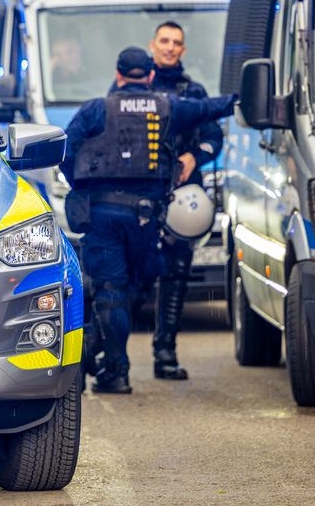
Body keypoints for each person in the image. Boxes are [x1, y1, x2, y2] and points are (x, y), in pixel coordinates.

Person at [61, 46, 236, 394]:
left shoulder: (97, 109)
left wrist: (80, 184)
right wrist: (237, 98)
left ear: (119, 74)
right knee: (134, 288)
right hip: (146, 219)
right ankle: (108, 362)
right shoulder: (168, 106)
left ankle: (116, 372)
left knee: (110, 290)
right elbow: (207, 110)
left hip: (102, 216)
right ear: (151, 75)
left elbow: (65, 150)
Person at [148, 21, 222, 381]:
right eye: (164, 40)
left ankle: (166, 354)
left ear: (183, 49)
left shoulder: (194, 92)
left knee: (176, 274)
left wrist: (194, 157)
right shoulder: (136, 88)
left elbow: (213, 137)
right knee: (126, 277)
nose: (170, 47)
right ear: (153, 45)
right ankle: (106, 359)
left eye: (177, 42)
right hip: (143, 193)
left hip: (183, 196)